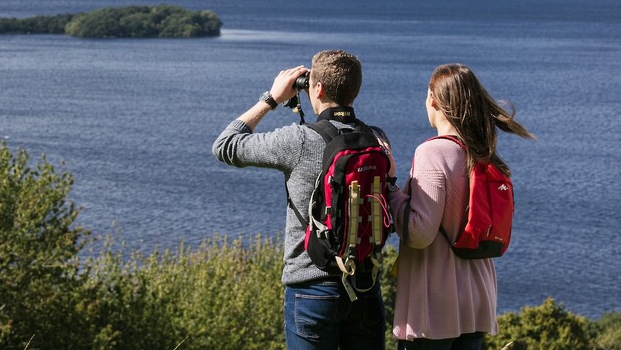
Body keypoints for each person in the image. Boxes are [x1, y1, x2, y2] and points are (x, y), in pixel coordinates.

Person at [212, 49, 387, 350]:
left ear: (315, 88)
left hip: (311, 287)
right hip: (364, 286)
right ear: (354, 90)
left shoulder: (299, 140)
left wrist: (271, 99)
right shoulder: (376, 140)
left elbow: (225, 145)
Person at [386, 63, 535, 350]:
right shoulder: (484, 153)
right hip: (477, 299)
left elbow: (419, 233)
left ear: (433, 98)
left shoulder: (432, 151)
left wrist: (390, 192)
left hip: (435, 306)